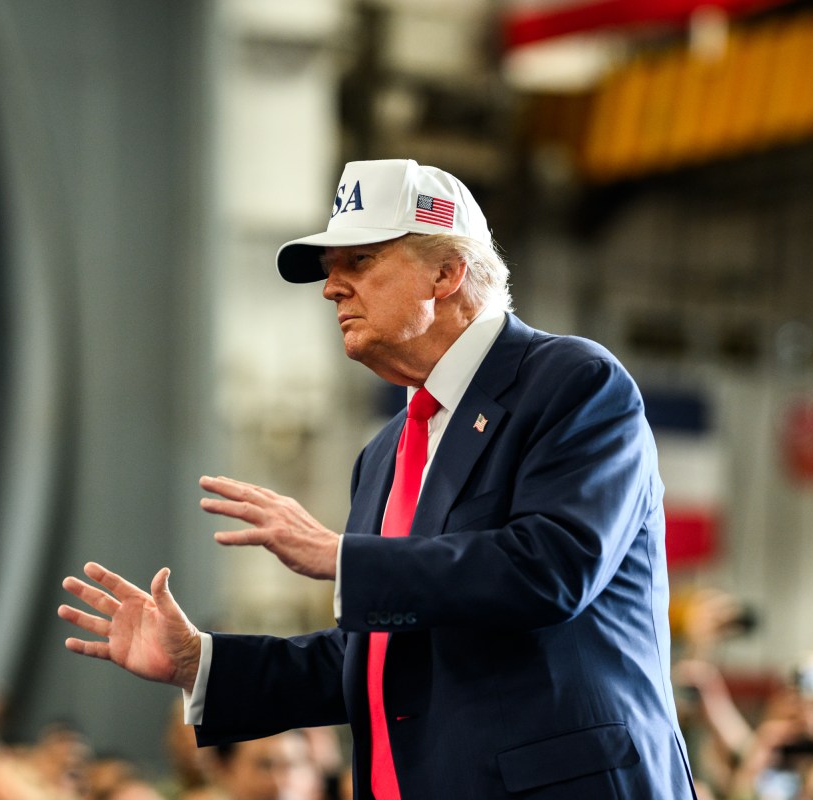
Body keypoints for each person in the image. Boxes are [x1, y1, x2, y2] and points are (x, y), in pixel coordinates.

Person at [59, 158, 696, 798]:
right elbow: (378, 658)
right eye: (330, 270)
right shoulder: (386, 452)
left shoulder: (574, 382)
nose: (331, 288)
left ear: (446, 272)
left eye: (358, 262)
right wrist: (201, 662)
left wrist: (342, 557)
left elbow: (552, 568)